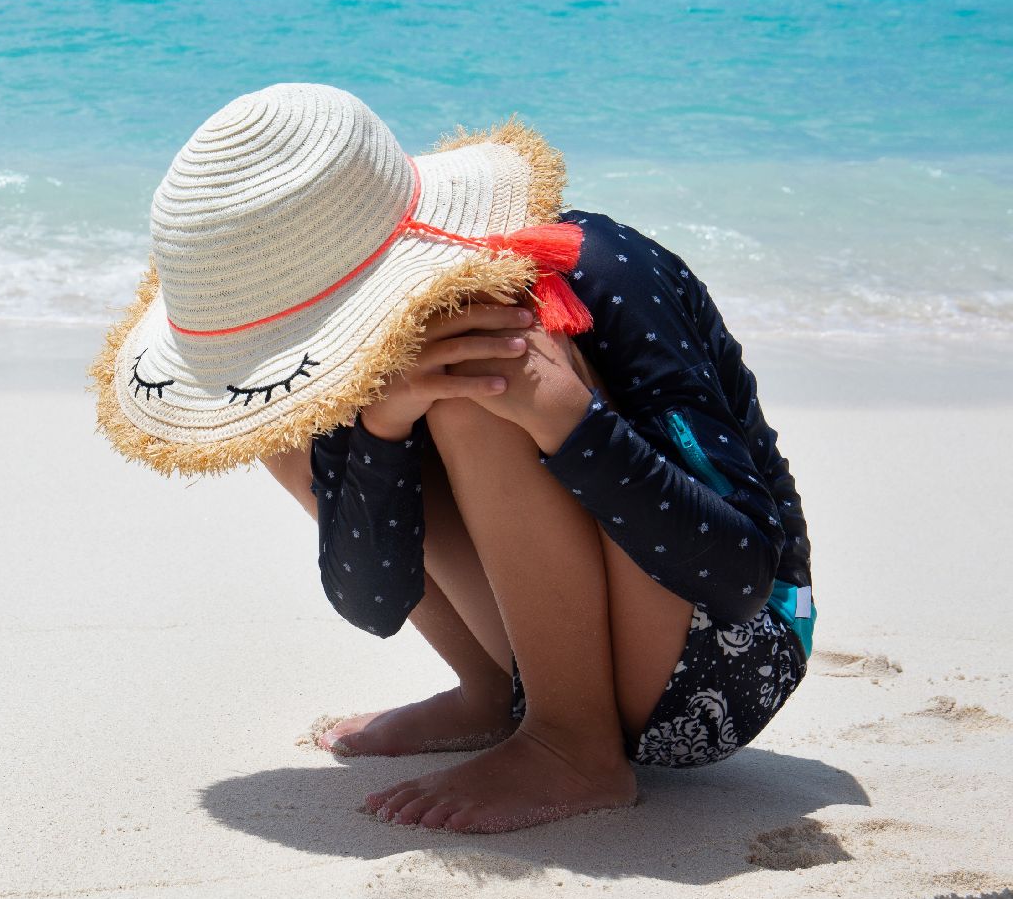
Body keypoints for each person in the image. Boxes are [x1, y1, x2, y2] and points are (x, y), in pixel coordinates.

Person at [91, 82, 813, 834]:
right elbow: (373, 602)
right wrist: (381, 431)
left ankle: (571, 741)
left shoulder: (601, 267)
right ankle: (495, 692)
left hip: (734, 656)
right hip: (570, 651)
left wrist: (568, 420)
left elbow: (741, 574)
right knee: (284, 425)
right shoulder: (356, 367)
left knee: (481, 372)